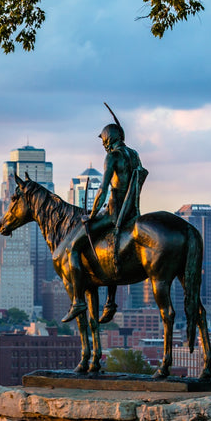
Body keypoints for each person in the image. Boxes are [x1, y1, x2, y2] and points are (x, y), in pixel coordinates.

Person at [61, 118, 148, 323]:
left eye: (103, 142)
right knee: (109, 250)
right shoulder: (134, 155)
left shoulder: (112, 157)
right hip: (132, 213)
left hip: (114, 213)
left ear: (109, 139)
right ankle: (110, 302)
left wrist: (90, 215)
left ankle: (78, 301)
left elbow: (103, 188)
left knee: (72, 246)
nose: (103, 146)